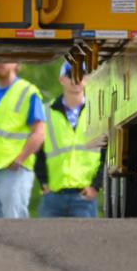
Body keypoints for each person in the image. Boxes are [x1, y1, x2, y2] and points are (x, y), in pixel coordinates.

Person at [0, 60, 45, 218]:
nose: (0, 61)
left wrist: (20, 159)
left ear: (16, 63)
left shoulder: (28, 92)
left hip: (13, 171)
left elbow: (39, 132)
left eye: (6, 56)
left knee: (14, 225)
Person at [37, 62, 103, 218]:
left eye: (81, 75)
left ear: (87, 79)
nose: (76, 80)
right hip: (53, 197)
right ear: (62, 79)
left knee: (84, 242)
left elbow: (107, 155)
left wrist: (96, 186)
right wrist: (43, 183)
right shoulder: (46, 112)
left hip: (83, 197)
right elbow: (38, 152)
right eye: (70, 75)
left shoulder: (99, 112)